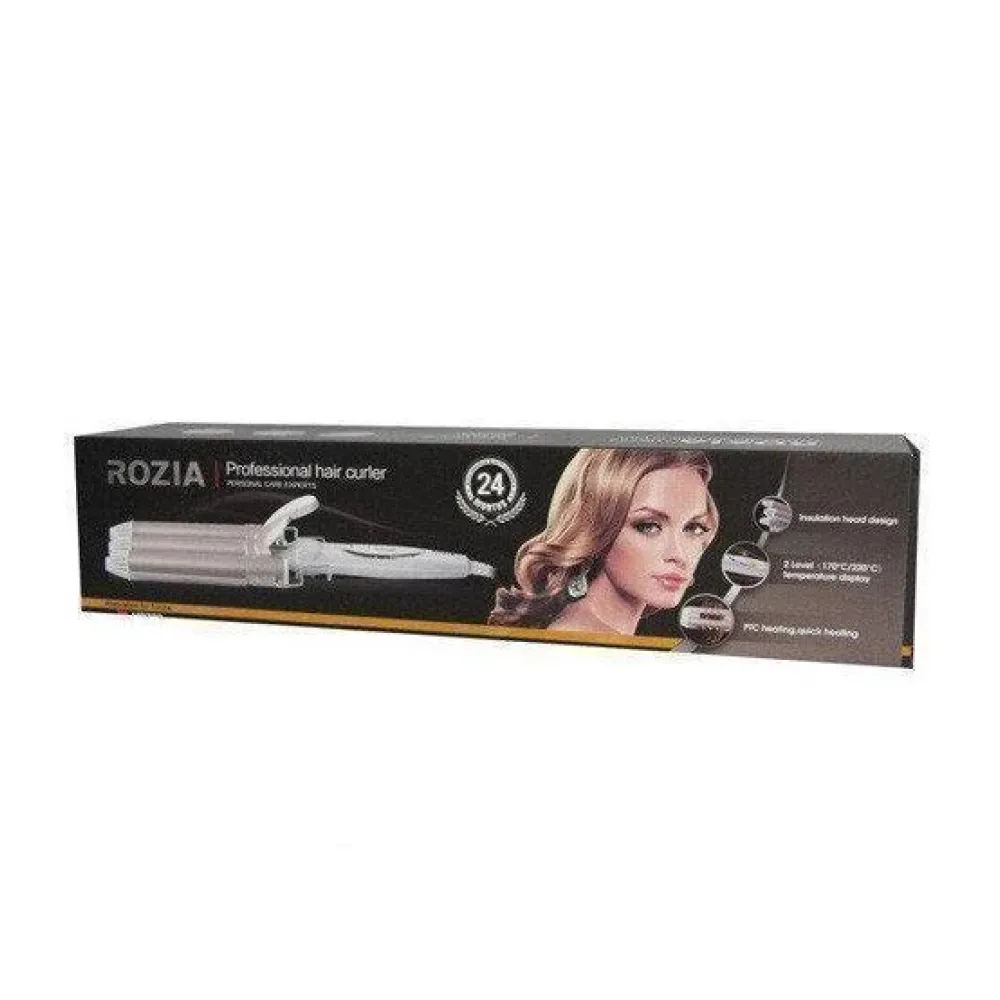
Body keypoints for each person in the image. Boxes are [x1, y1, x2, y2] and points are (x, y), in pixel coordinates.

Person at [488, 449, 719, 633]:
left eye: (693, 528)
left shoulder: (590, 629)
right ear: (594, 528)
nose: (679, 555)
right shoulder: (582, 636)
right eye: (648, 526)